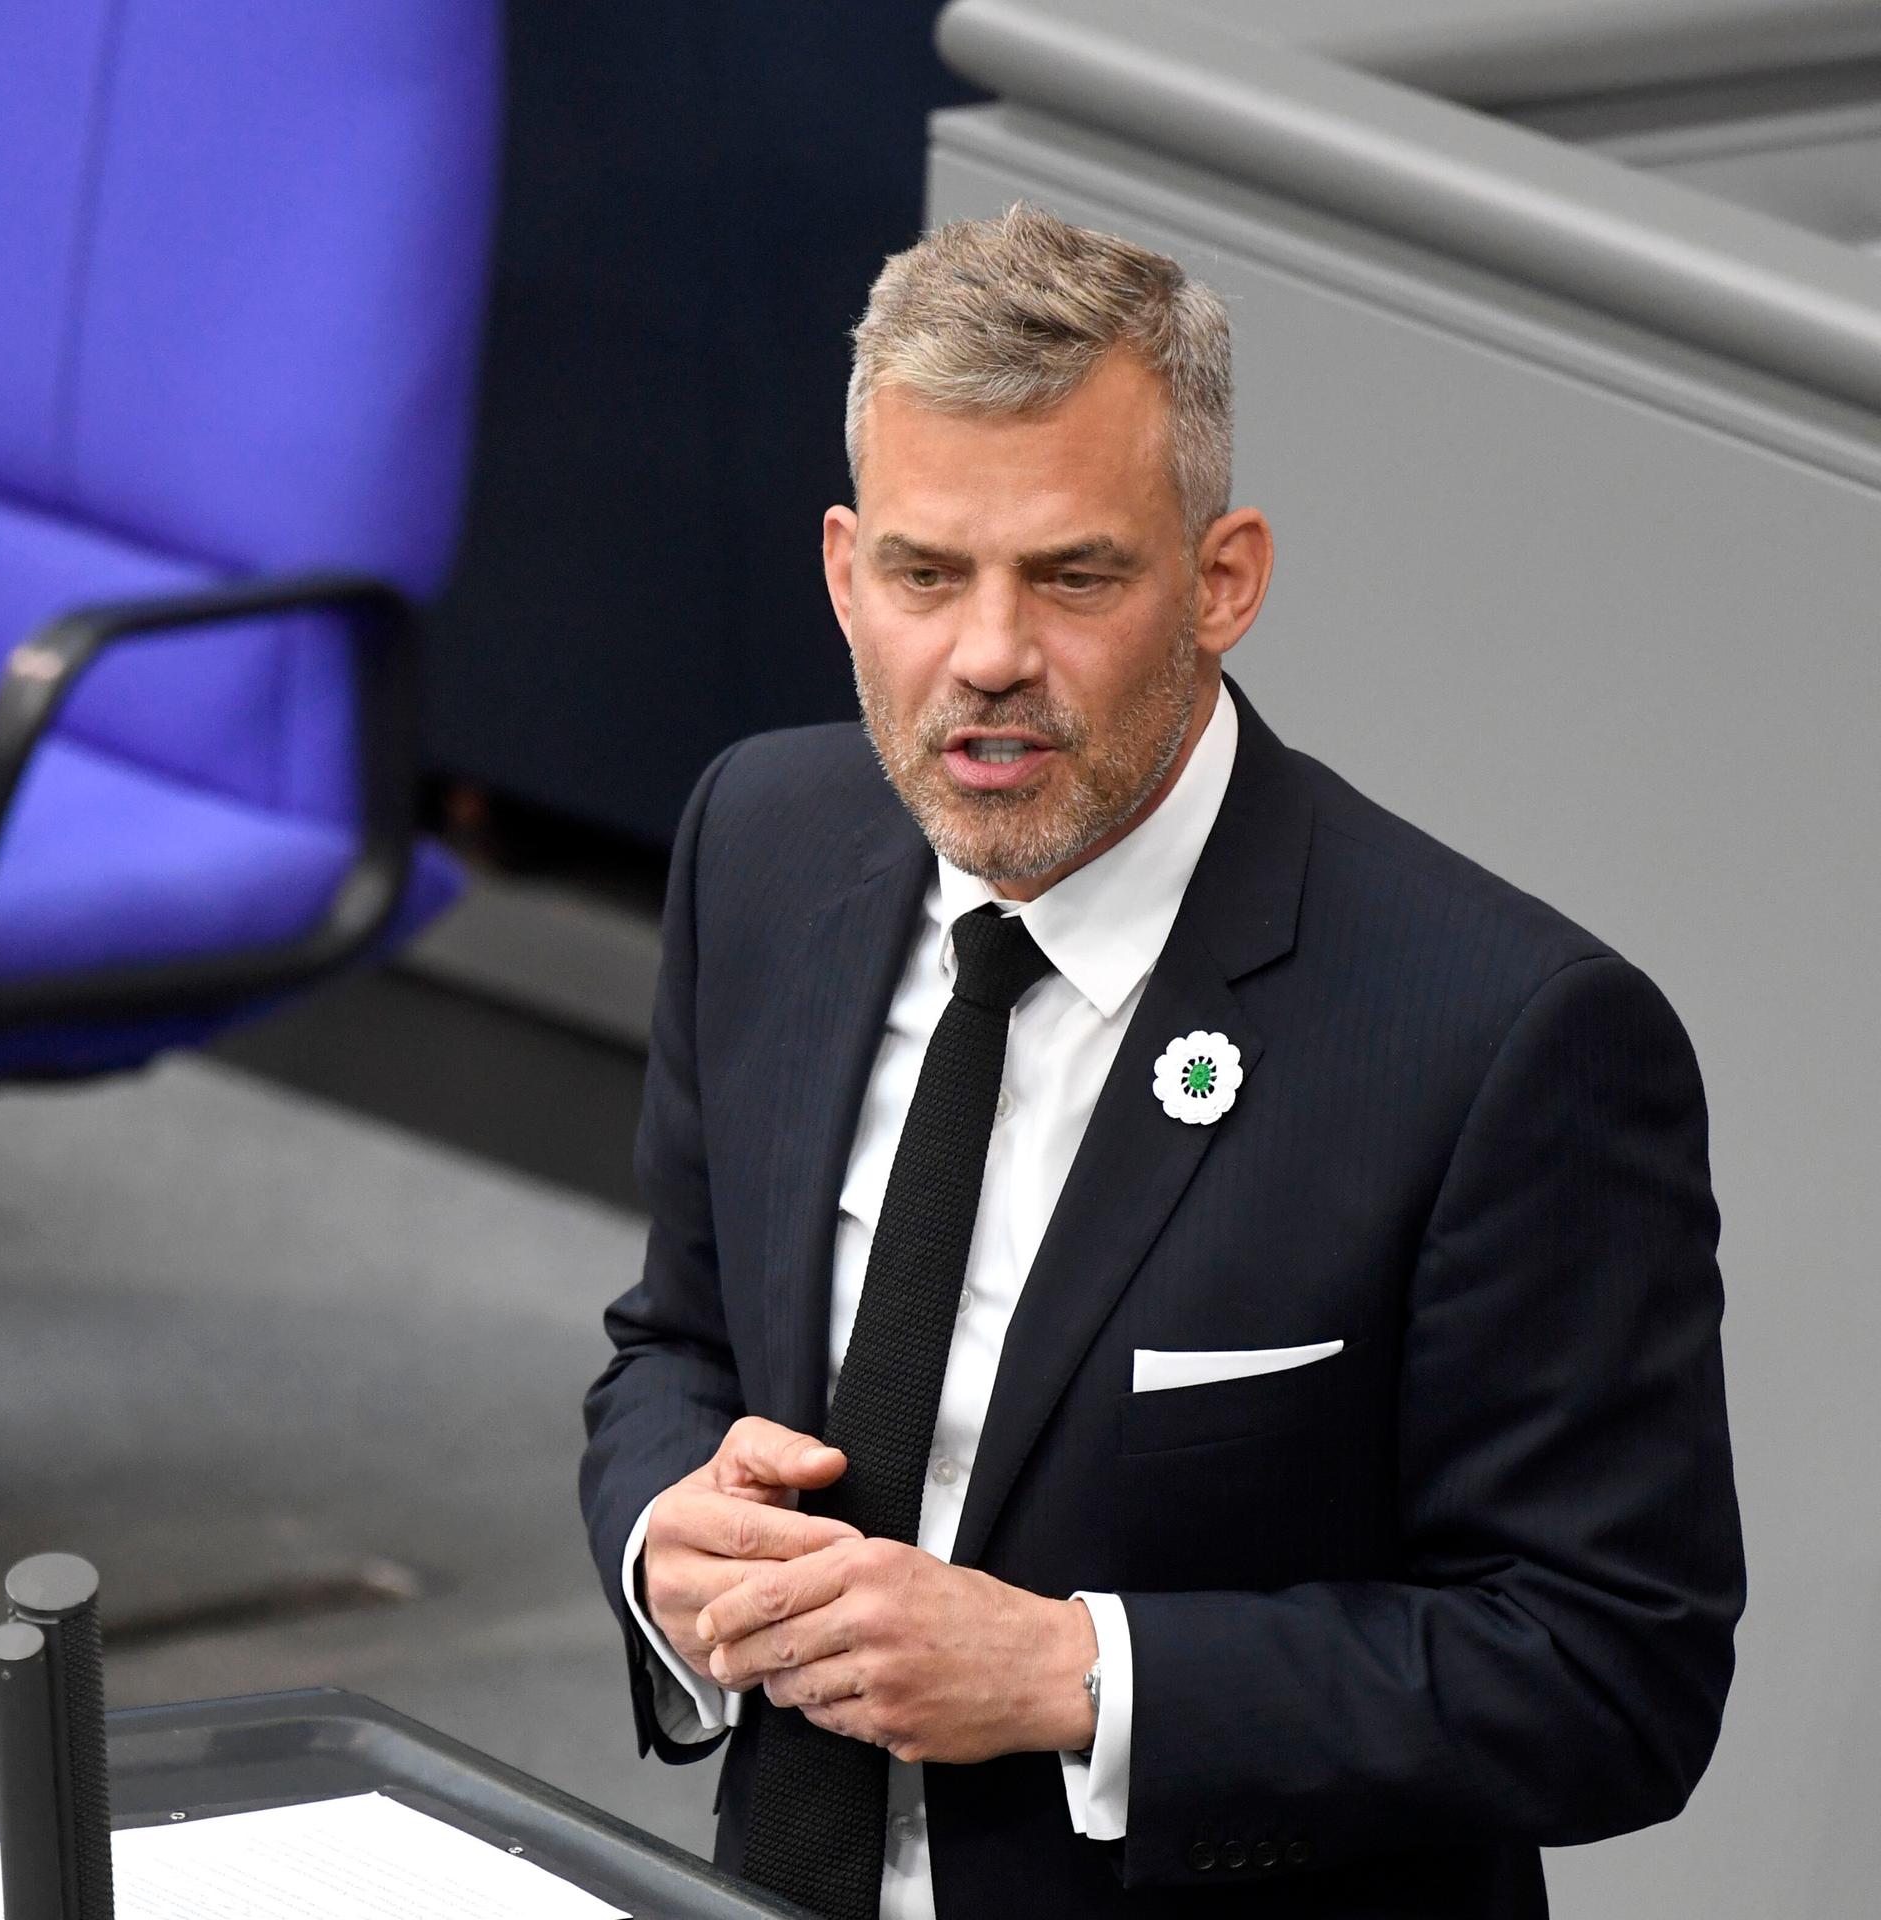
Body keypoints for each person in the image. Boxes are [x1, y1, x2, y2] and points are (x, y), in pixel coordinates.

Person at [578, 203, 1744, 1920]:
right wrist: (665, 1530)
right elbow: (677, 1339)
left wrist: (1079, 1678)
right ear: (844, 573)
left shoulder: (1504, 1038)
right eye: (923, 574)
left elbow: (1609, 1673)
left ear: (1222, 580)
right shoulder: (759, 838)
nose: (985, 655)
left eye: (1072, 575)